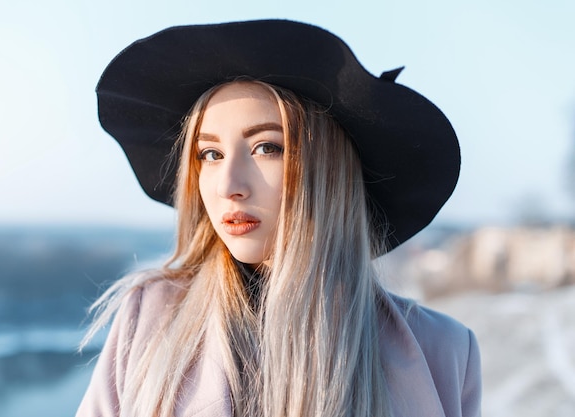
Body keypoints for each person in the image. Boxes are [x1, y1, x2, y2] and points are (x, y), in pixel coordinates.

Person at [76, 19, 481, 417]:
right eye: (211, 154)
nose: (228, 186)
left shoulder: (443, 350)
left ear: (330, 171)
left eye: (266, 147)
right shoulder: (148, 319)